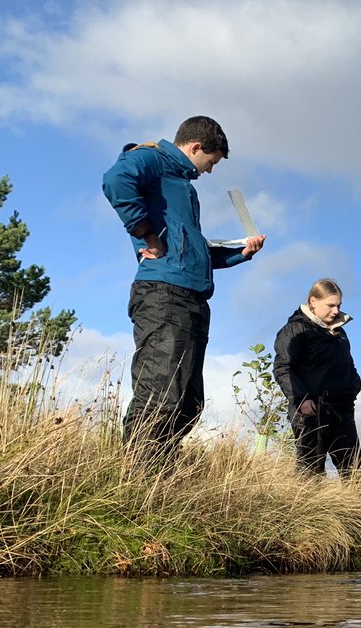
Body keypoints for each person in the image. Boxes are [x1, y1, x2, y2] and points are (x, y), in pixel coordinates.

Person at [102, 115, 266, 457]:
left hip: (191, 298)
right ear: (194, 147)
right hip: (163, 294)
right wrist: (144, 231)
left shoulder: (182, 188)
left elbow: (192, 250)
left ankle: (160, 470)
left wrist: (241, 255)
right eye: (211, 161)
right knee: (160, 392)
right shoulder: (152, 159)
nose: (210, 170)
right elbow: (116, 179)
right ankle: (137, 477)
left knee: (189, 403)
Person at [273, 278, 361, 476]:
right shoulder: (295, 330)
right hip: (310, 412)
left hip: (342, 411)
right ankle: (304, 507)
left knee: (356, 474)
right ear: (313, 301)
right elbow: (283, 368)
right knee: (310, 473)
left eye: (338, 305)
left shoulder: (340, 334)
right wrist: (302, 398)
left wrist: (353, 388)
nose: (335, 310)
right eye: (330, 305)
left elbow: (350, 366)